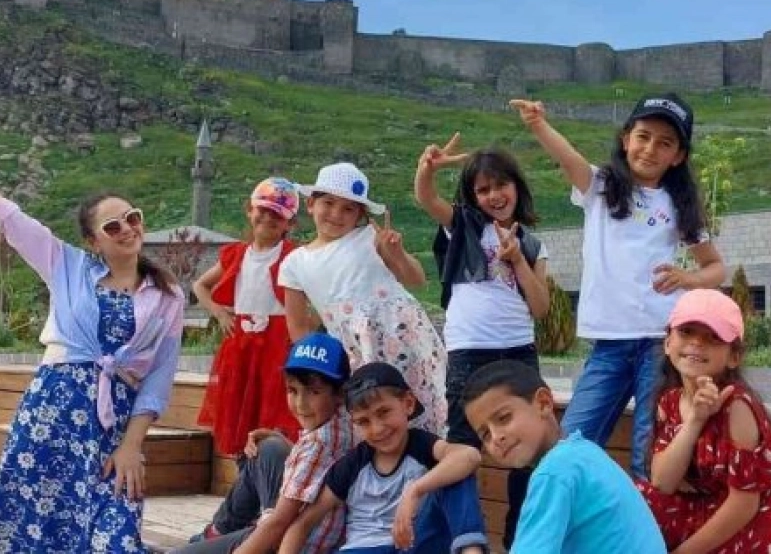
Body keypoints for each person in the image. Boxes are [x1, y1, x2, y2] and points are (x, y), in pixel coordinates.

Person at [0, 132, 184, 554]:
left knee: (113, 540)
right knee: (32, 532)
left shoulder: (167, 297)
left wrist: (131, 446)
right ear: (94, 241)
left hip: (113, 428)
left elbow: (158, 378)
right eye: (113, 226)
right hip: (52, 416)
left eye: (132, 218)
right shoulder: (67, 265)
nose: (127, 229)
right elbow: (7, 216)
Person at [510, 92, 725, 479]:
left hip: (659, 346)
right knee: (569, 445)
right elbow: (569, 159)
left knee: (648, 450)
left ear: (678, 156)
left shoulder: (680, 205)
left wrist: (688, 278)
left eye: (665, 143)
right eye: (643, 136)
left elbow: (716, 268)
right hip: (608, 346)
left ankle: (647, 516)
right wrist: (538, 124)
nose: (650, 149)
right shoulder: (601, 187)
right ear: (626, 139)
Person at [413, 133, 549, 548]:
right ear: (472, 197)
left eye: (501, 184)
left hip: (519, 352)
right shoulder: (464, 226)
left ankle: (520, 538)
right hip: (470, 352)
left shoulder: (533, 244)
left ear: (516, 187)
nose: (494, 195)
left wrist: (517, 260)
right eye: (483, 189)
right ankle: (467, 540)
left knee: (532, 447)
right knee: (462, 448)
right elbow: (426, 199)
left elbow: (540, 306)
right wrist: (426, 170)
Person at [279, 162, 447, 434]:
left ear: (359, 214)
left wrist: (396, 253)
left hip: (402, 337)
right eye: (328, 203)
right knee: (369, 410)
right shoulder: (294, 263)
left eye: (348, 208)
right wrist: (312, 369)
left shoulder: (371, 237)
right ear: (310, 204)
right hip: (354, 349)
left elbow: (416, 279)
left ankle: (427, 449)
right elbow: (298, 328)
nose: (336, 214)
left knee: (418, 399)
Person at [641, 289, 771, 554]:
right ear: (668, 343)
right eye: (686, 332)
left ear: (733, 357)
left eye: (713, 338)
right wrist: (695, 420)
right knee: (637, 498)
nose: (696, 342)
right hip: (709, 509)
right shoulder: (669, 401)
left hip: (756, 526)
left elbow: (744, 505)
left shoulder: (737, 406)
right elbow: (662, 483)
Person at [278, 362, 489, 554]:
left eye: (384, 412)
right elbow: (302, 525)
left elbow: (469, 456)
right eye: (364, 422)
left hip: (416, 543)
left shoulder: (422, 445)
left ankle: (471, 551)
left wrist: (415, 490)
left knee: (456, 474)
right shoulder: (352, 464)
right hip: (364, 548)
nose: (377, 429)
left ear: (408, 403)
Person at [173, 332, 354, 554]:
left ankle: (215, 535)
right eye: (293, 390)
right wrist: (282, 440)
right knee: (268, 448)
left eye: (313, 392)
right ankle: (217, 534)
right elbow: (320, 467)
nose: (301, 403)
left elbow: (279, 524)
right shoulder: (345, 422)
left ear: (339, 393)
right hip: (304, 529)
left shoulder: (317, 445)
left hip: (287, 543)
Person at [462, 359, 667, 554]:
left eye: (503, 418)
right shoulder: (582, 452)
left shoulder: (555, 471)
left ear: (543, 403)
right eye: (485, 434)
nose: (496, 437)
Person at [195, 178, 302, 457]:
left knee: (275, 412)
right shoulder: (236, 254)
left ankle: (272, 467)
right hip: (241, 346)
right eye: (262, 210)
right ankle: (244, 470)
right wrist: (219, 312)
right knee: (239, 414)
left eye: (277, 215)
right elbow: (200, 285)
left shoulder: (294, 256)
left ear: (290, 223)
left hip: (277, 345)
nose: (268, 218)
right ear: (249, 210)